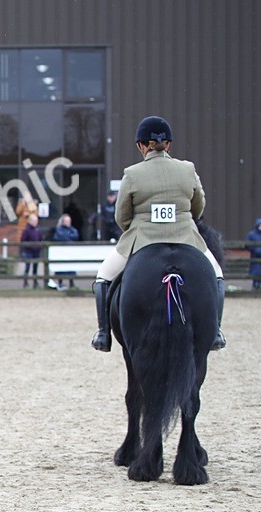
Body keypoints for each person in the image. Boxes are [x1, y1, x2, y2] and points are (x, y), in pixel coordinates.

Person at [90, 116, 226, 351]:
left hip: (142, 237)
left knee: (104, 276)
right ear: (169, 144)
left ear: (141, 145)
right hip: (186, 236)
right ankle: (215, 332)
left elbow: (121, 216)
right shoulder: (188, 169)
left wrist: (134, 229)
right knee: (216, 276)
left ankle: (103, 334)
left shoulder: (132, 174)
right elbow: (198, 207)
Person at [47, 213, 80, 290]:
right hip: (61, 252)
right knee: (60, 268)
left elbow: (75, 236)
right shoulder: (59, 229)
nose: (68, 223)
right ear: (63, 222)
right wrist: (68, 238)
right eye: (66, 221)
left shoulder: (72, 229)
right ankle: (60, 283)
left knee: (71, 268)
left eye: (69, 221)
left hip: (70, 252)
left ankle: (71, 283)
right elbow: (61, 237)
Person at [245, 218, 261, 291]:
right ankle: (254, 285)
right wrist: (255, 250)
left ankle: (259, 285)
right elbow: (247, 245)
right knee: (255, 271)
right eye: (259, 225)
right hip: (255, 257)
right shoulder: (251, 234)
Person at [20, 213, 44, 288]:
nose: (35, 222)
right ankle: (25, 282)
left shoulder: (38, 230)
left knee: (35, 268)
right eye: (34, 221)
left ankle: (35, 282)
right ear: (30, 221)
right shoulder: (26, 230)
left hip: (36, 251)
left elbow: (40, 239)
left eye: (36, 221)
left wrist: (40, 246)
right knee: (27, 267)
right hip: (28, 251)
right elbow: (23, 240)